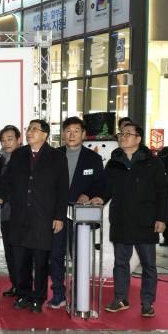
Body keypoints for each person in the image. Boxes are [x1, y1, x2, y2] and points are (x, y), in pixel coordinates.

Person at [0, 119, 68, 313]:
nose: (29, 132)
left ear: (45, 134)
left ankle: (38, 297)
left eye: (35, 129)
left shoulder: (57, 157)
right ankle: (23, 295)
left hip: (43, 217)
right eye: (29, 129)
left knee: (41, 261)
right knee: (20, 260)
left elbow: (62, 189)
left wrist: (59, 216)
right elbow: (7, 181)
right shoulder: (19, 154)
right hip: (19, 216)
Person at [103, 123, 168, 318]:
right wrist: (96, 198)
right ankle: (120, 299)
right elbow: (106, 189)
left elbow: (163, 192)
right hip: (121, 219)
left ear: (138, 139)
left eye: (128, 134)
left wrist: (161, 218)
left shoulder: (152, 162)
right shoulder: (114, 162)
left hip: (146, 220)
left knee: (149, 264)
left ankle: (147, 302)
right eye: (121, 134)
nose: (122, 137)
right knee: (120, 263)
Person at [48, 117, 106, 309]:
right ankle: (58, 293)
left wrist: (88, 194)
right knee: (55, 255)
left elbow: (100, 184)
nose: (71, 135)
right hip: (56, 214)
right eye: (68, 131)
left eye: (76, 131)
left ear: (83, 134)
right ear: (63, 134)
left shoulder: (93, 158)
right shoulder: (54, 155)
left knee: (79, 255)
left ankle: (79, 293)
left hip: (80, 215)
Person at [0, 124, 22, 297]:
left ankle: (23, 287)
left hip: (21, 213)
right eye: (3, 140)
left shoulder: (25, 158)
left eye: (10, 139)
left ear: (18, 140)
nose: (6, 143)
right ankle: (15, 285)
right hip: (5, 213)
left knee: (21, 253)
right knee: (10, 251)